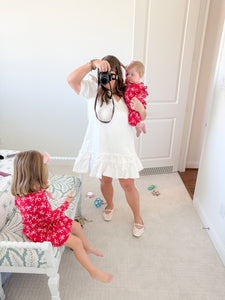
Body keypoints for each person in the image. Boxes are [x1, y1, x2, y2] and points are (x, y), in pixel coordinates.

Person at [67, 55, 145, 237]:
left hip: (123, 148)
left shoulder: (129, 92)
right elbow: (71, 79)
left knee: (128, 186)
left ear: (119, 75)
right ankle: (110, 205)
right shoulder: (93, 90)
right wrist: (92, 64)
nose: (107, 80)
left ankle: (138, 217)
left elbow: (142, 116)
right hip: (102, 148)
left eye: (111, 75)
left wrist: (141, 109)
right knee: (105, 180)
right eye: (104, 75)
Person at [11, 150, 113, 283]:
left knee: (75, 225)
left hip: (42, 223)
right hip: (40, 231)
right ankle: (93, 272)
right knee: (76, 243)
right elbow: (52, 217)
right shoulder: (38, 197)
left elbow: (39, 214)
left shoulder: (21, 192)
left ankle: (87, 248)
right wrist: (66, 203)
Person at [124, 60, 148, 137]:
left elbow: (144, 93)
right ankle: (139, 126)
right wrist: (126, 69)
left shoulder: (139, 86)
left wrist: (136, 99)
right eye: (129, 74)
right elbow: (127, 75)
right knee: (131, 120)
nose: (129, 76)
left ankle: (139, 126)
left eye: (132, 74)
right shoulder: (129, 82)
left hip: (135, 105)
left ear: (140, 76)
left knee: (133, 119)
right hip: (130, 105)